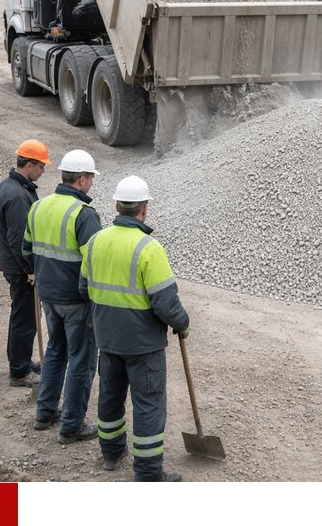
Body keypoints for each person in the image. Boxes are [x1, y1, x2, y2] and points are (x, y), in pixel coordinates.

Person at [80, 175, 189, 482]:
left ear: (116, 206)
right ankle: (149, 473)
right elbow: (166, 304)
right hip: (143, 347)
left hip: (108, 340)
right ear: (145, 209)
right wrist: (183, 324)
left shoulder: (94, 242)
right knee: (149, 405)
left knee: (110, 397)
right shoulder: (149, 249)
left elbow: (83, 287)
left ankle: (111, 454)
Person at [23, 149, 102, 443]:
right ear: (80, 179)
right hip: (76, 301)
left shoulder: (39, 207)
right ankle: (71, 425)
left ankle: (44, 413)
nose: (91, 183)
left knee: (55, 351)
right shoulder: (83, 215)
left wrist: (39, 275)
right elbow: (97, 263)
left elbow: (26, 250)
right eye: (91, 178)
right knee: (82, 360)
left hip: (47, 295)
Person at [0, 139, 51, 387]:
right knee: (25, 318)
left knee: (23, 315)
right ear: (29, 165)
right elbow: (18, 240)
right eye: (41, 166)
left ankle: (22, 361)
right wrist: (30, 270)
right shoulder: (17, 195)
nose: (43, 171)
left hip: (15, 266)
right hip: (20, 268)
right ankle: (19, 370)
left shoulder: (12, 186)